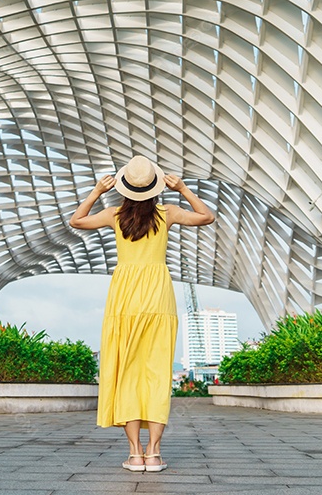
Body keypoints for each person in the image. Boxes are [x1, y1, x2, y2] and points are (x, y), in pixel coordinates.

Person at [69, 155, 215, 473]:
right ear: (156, 186)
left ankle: (135, 453)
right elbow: (207, 217)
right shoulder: (168, 213)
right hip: (159, 299)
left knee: (128, 376)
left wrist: (96, 192)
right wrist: (184, 188)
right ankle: (155, 453)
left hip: (124, 300)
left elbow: (77, 221)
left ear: (125, 188)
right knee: (157, 375)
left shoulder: (114, 214)